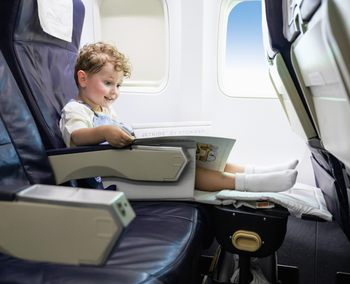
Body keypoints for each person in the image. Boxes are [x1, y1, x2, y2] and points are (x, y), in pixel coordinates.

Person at [60, 42, 298, 193]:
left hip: (126, 167)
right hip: (110, 181)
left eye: (119, 85)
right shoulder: (76, 110)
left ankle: (259, 171)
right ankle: (251, 185)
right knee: (185, 167)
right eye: (108, 83)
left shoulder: (105, 111)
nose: (115, 91)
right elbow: (77, 138)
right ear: (83, 79)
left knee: (196, 157)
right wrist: (104, 132)